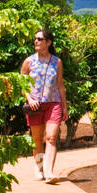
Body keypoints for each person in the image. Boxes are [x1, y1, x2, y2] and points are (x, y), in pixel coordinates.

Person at [20, 28, 68, 182]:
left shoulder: (57, 62)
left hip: (54, 103)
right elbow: (22, 84)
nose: (36, 41)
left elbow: (60, 85)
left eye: (40, 39)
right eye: (35, 39)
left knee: (52, 138)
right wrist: (29, 99)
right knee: (37, 139)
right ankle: (39, 168)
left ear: (48, 42)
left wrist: (65, 107)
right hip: (35, 106)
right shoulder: (29, 61)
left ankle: (49, 173)